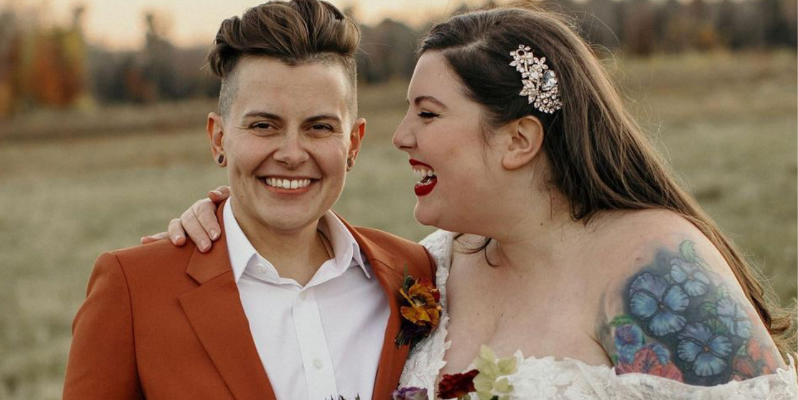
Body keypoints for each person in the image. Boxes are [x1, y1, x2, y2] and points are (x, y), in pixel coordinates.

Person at [150, 5, 798, 399]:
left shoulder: (655, 267)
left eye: (427, 113)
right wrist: (230, 218)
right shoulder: (431, 271)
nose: (400, 137)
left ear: (518, 139)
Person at [63, 1, 435, 399]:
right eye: (263, 125)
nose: (292, 154)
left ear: (353, 144)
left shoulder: (413, 272)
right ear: (219, 138)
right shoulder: (134, 290)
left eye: (319, 127)